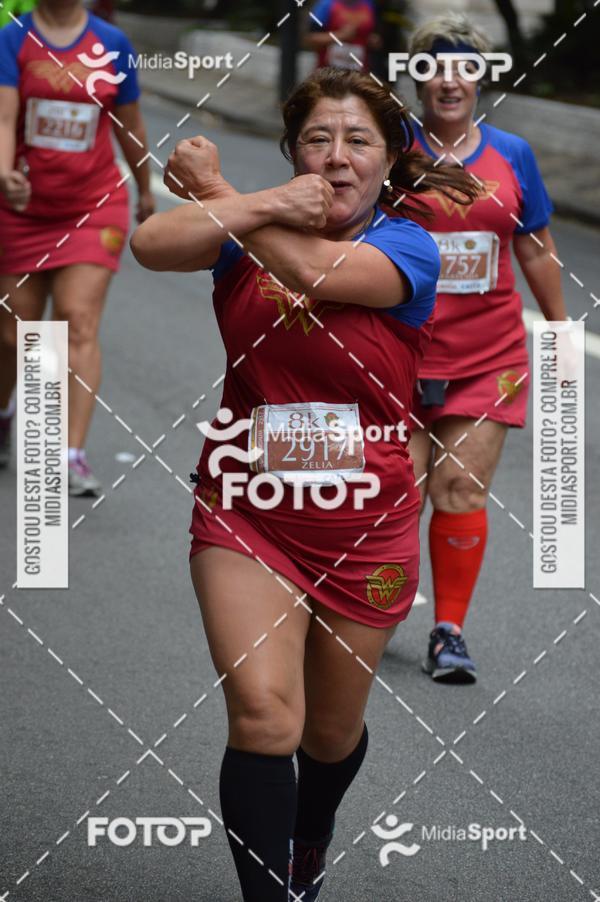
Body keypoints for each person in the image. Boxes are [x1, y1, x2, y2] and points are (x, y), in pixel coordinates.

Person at [132, 67, 476, 901]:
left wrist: (219, 189)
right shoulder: (253, 226)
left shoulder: (409, 247)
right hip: (247, 508)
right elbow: (150, 246)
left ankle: (309, 834)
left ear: (392, 160)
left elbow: (322, 276)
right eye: (317, 139)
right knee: (263, 717)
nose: (336, 155)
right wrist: (251, 204)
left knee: (327, 733)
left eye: (359, 140)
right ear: (293, 152)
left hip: (368, 522)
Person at [404, 13, 568, 683]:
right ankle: (369, 604)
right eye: (435, 66)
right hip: (397, 354)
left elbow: (534, 246)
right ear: (417, 77)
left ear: (482, 76)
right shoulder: (390, 148)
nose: (450, 80)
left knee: (461, 488)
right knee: (393, 496)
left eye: (464, 66)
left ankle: (448, 632)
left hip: (487, 356)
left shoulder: (513, 154)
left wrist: (557, 329)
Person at [0, 0, 153, 494]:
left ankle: (69, 455)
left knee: (76, 319)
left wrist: (147, 189)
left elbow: (130, 122)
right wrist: (4, 174)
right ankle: (5, 417)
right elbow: (4, 118)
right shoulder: (12, 38)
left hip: (93, 206)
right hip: (20, 208)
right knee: (13, 336)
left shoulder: (113, 43)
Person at [305, 0, 380, 72]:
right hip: (329, 72)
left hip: (360, 71)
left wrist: (373, 39)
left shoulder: (369, 4)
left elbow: (374, 34)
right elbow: (311, 39)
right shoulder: (326, 4)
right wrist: (341, 35)